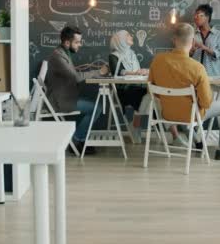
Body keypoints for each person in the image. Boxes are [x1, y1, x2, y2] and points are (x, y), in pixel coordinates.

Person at [148, 23, 220, 160]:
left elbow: (152, 90)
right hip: (190, 115)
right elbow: (206, 102)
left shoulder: (157, 60)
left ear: (174, 39)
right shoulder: (197, 68)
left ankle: (198, 142)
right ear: (192, 42)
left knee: (185, 109)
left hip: (167, 113)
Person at [45, 26, 109, 154]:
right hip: (60, 101)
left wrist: (94, 72)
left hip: (64, 97)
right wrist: (99, 72)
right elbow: (76, 77)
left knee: (94, 104)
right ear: (67, 42)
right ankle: (77, 140)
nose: (80, 45)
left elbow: (72, 74)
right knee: (97, 108)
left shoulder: (62, 53)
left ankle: (78, 139)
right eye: (77, 42)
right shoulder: (58, 57)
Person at [108, 30, 150, 143]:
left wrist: (142, 71)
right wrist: (135, 73)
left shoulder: (131, 54)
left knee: (150, 93)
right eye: (128, 35)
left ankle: (135, 124)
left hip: (136, 87)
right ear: (120, 40)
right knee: (143, 94)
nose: (131, 36)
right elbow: (118, 72)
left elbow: (136, 70)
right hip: (123, 91)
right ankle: (135, 125)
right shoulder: (113, 56)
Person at [190, 4, 220, 77]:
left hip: (213, 76)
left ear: (207, 17)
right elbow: (186, 56)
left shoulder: (218, 35)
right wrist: (192, 51)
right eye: (195, 15)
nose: (195, 18)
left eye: (199, 15)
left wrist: (205, 48)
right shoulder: (192, 34)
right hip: (195, 76)